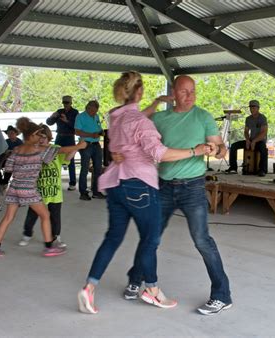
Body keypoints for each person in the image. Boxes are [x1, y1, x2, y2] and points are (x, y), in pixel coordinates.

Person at [77, 71, 213, 315]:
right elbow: (161, 154)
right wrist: (196, 150)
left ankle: (89, 287)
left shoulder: (115, 116)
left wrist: (156, 103)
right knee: (151, 239)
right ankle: (151, 290)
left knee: (113, 237)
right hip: (139, 184)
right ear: (139, 92)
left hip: (115, 184)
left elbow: (133, 118)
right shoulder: (142, 123)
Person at [125, 75, 233, 316]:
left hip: (193, 187)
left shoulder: (203, 117)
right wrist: (155, 102)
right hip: (163, 186)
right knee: (149, 238)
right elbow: (133, 122)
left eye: (193, 91)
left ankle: (222, 296)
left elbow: (220, 146)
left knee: (202, 240)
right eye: (184, 91)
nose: (190, 95)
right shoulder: (161, 118)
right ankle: (136, 278)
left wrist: (218, 149)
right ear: (174, 92)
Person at [0, 117, 66, 258]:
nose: (39, 137)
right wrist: (79, 147)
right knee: (45, 215)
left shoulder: (16, 149)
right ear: (31, 136)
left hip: (14, 187)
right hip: (28, 189)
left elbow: (8, 168)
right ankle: (48, 247)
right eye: (38, 134)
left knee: (8, 217)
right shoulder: (38, 150)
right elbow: (57, 152)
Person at [18, 124, 87, 248]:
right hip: (38, 192)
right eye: (38, 137)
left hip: (55, 192)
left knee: (55, 217)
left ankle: (56, 237)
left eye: (44, 137)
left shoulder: (56, 148)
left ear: (49, 137)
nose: (41, 139)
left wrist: (76, 149)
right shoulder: (34, 150)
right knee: (32, 215)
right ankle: (27, 234)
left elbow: (66, 158)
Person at [225, 99, 268, 176]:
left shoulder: (262, 118)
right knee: (234, 146)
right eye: (251, 108)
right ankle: (233, 167)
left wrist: (254, 141)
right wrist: (248, 140)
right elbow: (246, 131)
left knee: (263, 148)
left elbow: (264, 133)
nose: (252, 109)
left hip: (260, 141)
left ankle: (262, 170)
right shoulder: (248, 119)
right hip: (250, 140)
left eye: (254, 108)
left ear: (258, 108)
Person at [46, 95, 79, 191]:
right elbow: (49, 123)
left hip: (69, 137)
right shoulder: (59, 111)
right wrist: (52, 116)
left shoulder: (75, 112)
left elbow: (76, 127)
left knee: (70, 160)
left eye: (67, 103)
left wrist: (66, 121)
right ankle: (55, 181)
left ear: (71, 103)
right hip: (59, 137)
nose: (65, 105)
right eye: (64, 103)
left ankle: (72, 183)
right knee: (54, 158)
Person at [75, 100, 104, 201]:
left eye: (96, 111)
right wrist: (91, 135)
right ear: (88, 108)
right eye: (92, 111)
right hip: (85, 144)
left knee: (98, 169)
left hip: (96, 144)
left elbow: (98, 127)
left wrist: (101, 132)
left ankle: (96, 191)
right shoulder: (80, 117)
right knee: (85, 169)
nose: (94, 113)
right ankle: (83, 193)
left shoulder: (96, 116)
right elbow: (77, 131)